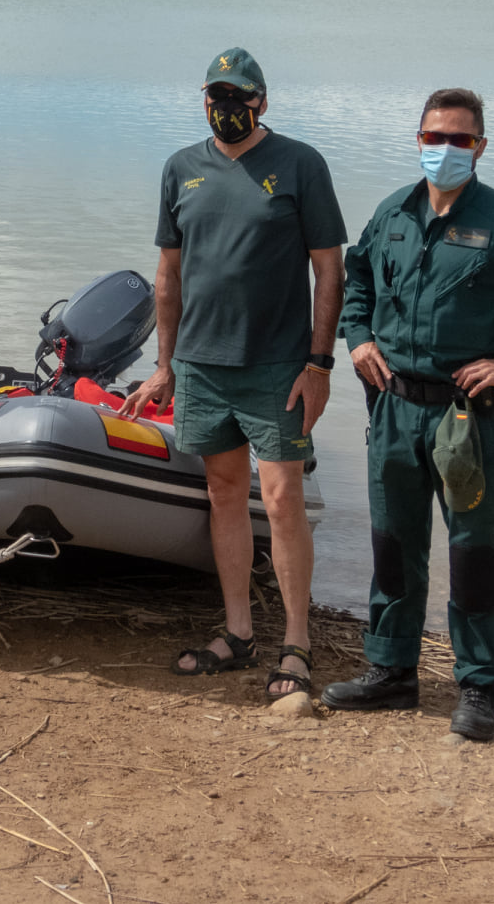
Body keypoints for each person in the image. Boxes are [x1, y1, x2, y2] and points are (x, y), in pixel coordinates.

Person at [322, 87, 494, 741]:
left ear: (480, 147)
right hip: (392, 411)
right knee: (393, 547)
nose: (444, 150)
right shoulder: (392, 213)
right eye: (433, 137)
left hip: (463, 420)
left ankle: (478, 687)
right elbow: (356, 279)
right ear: (417, 140)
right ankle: (392, 673)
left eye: (459, 140)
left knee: (473, 555)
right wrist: (356, 337)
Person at [123, 48, 346, 702]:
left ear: (262, 102)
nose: (226, 109)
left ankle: (297, 644)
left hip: (278, 367)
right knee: (224, 494)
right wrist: (165, 367)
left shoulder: (300, 165)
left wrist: (320, 364)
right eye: (215, 97)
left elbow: (329, 271)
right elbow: (168, 275)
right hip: (201, 366)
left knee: (281, 501)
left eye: (238, 97)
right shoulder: (180, 169)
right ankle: (239, 634)